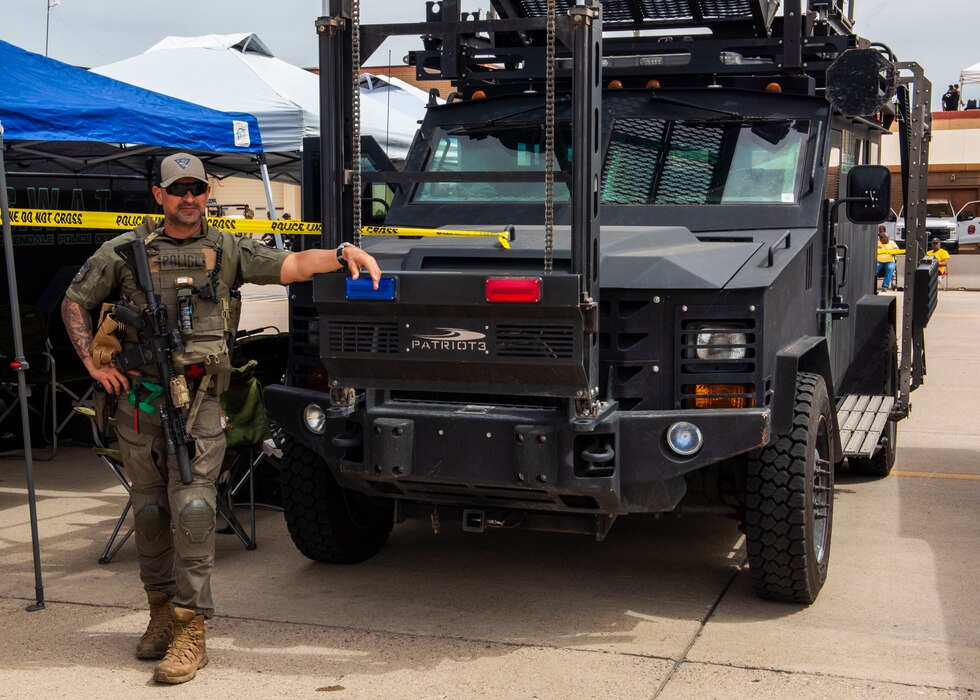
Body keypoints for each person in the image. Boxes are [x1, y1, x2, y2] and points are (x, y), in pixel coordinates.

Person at [60, 153, 380, 685]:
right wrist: (93, 364)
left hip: (201, 399)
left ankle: (191, 629)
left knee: (192, 509)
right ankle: (159, 612)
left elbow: (292, 266)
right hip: (139, 404)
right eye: (177, 190)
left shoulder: (227, 248)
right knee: (148, 513)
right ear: (159, 196)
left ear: (208, 193)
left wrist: (343, 252)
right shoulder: (124, 251)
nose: (189, 198)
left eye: (197, 189)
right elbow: (76, 301)